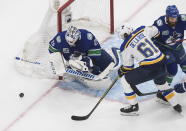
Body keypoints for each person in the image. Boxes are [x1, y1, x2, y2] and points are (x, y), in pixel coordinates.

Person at [117, 24, 182, 115]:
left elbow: (128, 67)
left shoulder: (124, 46)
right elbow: (157, 31)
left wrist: (121, 70)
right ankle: (176, 105)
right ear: (131, 29)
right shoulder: (142, 29)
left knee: (124, 81)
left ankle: (133, 106)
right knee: (162, 84)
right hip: (162, 63)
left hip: (149, 68)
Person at [48, 25, 116, 82]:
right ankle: (88, 72)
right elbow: (52, 48)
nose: (70, 43)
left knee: (107, 63)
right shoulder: (60, 38)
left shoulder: (87, 36)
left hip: (87, 54)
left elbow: (95, 48)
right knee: (84, 66)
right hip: (73, 60)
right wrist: (58, 62)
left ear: (77, 37)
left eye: (72, 41)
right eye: (68, 41)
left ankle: (96, 68)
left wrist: (91, 61)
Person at [152, 5, 186, 102]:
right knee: (172, 70)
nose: (174, 20)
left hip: (178, 47)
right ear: (167, 16)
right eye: (171, 18)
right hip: (165, 49)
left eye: (175, 17)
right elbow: (150, 36)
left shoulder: (182, 19)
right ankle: (163, 92)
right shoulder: (159, 24)